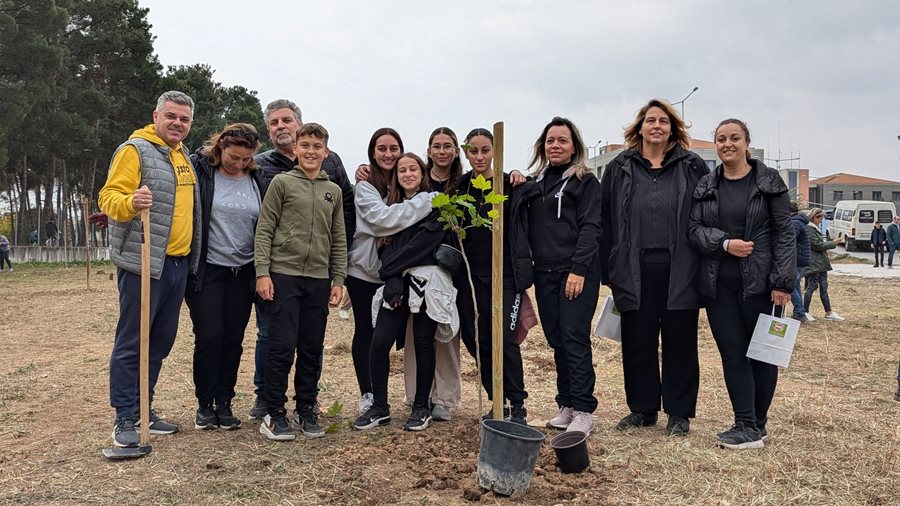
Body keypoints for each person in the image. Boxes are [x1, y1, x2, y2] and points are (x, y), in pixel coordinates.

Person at [98, 90, 201, 448]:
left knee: (159, 341)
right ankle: (124, 416)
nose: (178, 123)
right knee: (132, 341)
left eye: (184, 119)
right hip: (143, 262)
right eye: (171, 116)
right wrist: (130, 201)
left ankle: (144, 408)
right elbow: (108, 197)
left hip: (177, 263)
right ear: (155, 116)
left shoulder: (182, 155)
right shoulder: (134, 150)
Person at [599, 99, 707, 437]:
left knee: (680, 339)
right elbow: (605, 219)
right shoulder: (620, 167)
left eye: (663, 121)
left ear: (673, 127)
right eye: (650, 120)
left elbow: (707, 213)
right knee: (638, 340)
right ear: (640, 127)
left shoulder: (692, 166)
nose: (656, 126)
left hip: (681, 267)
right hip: (633, 267)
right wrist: (609, 269)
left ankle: (679, 412)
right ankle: (643, 409)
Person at [688, 118, 795, 450]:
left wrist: (783, 281)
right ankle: (744, 422)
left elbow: (784, 233)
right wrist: (724, 243)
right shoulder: (706, 185)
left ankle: (758, 424)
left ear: (747, 142)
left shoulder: (768, 182)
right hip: (719, 286)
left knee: (761, 354)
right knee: (732, 353)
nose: (727, 144)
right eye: (721, 139)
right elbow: (694, 231)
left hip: (762, 285)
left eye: (734, 138)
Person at [248, 99, 355, 420]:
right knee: (279, 346)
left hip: (319, 280)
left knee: (311, 347)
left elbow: (339, 236)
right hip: (283, 275)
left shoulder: (332, 190)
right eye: (304, 146)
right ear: (295, 149)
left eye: (317, 146)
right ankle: (273, 409)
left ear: (326, 152)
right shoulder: (279, 182)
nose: (310, 151)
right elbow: (264, 230)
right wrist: (262, 273)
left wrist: (339, 278)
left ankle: (307, 406)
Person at [356, 153, 454, 432]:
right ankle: (380, 406)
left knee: (423, 342)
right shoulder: (391, 209)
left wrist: (390, 273)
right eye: (402, 170)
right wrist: (393, 279)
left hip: (427, 281)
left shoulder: (436, 204)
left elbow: (423, 245)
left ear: (422, 173)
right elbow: (385, 247)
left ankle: (421, 406)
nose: (407, 174)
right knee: (379, 342)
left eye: (413, 169)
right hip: (396, 283)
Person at [346, 128, 437, 416]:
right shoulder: (366, 185)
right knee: (366, 333)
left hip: (400, 272)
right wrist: (424, 203)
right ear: (372, 152)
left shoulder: (400, 184)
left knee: (412, 338)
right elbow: (382, 222)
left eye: (393, 148)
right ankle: (369, 394)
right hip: (365, 270)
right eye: (381, 148)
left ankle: (420, 399)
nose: (388, 154)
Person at [522, 117, 601, 434]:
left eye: (562, 140)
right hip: (545, 273)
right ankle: (566, 404)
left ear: (574, 146)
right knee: (556, 339)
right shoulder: (537, 183)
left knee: (573, 337)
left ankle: (583, 409)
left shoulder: (585, 182)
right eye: (550, 140)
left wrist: (578, 269)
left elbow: (592, 227)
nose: (555, 146)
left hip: (576, 273)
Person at [185, 124, 263, 431]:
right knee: (209, 336)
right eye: (234, 157)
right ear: (220, 147)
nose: (239, 163)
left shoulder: (258, 178)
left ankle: (225, 402)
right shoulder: (201, 171)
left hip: (243, 272)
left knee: (233, 340)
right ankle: (205, 404)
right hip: (209, 270)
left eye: (246, 159)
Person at [455, 128, 532, 425]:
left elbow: (533, 192)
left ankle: (517, 403)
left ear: (495, 151)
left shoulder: (509, 184)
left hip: (506, 275)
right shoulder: (462, 189)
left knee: (504, 338)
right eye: (473, 151)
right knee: (477, 339)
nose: (479, 156)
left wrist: (518, 175)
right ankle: (496, 398)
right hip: (471, 279)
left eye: (485, 150)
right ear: (465, 152)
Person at [803, 208, 844, 321]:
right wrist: (833, 243)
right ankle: (805, 311)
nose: (822, 221)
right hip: (814, 264)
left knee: (823, 288)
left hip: (820, 264)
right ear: (815, 217)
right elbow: (817, 245)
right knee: (810, 288)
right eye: (821, 218)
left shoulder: (813, 228)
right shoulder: (809, 229)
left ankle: (829, 312)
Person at [789, 202, 812, 322]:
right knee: (796, 286)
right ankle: (799, 311)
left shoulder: (795, 223)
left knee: (790, 286)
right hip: (801, 259)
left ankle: (799, 312)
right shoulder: (800, 221)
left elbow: (789, 240)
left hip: (797, 259)